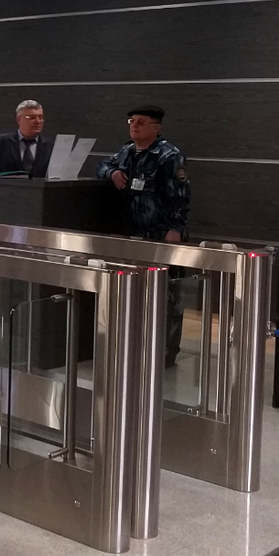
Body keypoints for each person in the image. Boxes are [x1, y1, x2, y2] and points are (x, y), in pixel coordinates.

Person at [96, 104, 191, 367]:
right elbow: (101, 165)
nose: (134, 126)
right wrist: (113, 172)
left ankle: (165, 353)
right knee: (135, 294)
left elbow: (180, 197)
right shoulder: (127, 152)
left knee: (167, 296)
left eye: (141, 122)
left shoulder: (169, 156)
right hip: (133, 234)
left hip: (161, 234)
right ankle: (137, 346)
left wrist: (175, 230)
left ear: (156, 128)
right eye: (132, 121)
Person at [0, 100, 52, 176]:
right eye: (32, 118)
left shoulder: (50, 146)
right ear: (19, 119)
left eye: (40, 117)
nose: (38, 121)